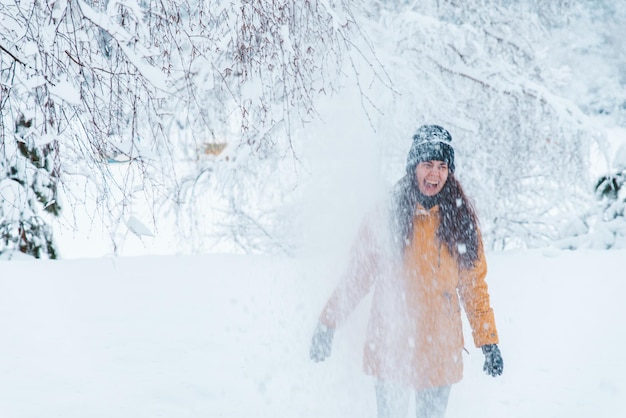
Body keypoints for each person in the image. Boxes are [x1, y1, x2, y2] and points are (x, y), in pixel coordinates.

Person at [309, 125, 503, 418]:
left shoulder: (461, 222)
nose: (434, 174)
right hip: (391, 344)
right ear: (414, 167)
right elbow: (357, 276)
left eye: (442, 166)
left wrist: (488, 341)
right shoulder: (385, 215)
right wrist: (328, 323)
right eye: (428, 164)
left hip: (439, 350)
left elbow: (474, 286)